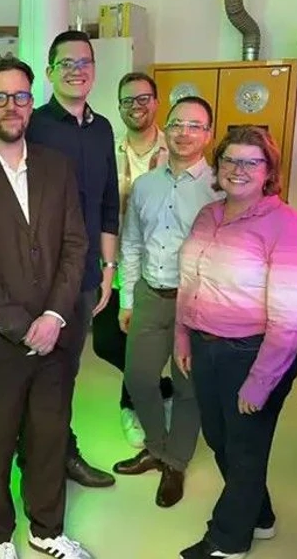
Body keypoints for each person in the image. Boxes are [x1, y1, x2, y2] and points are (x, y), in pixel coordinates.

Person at [0, 57, 92, 559]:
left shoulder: (57, 167)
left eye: (20, 96)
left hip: (56, 331)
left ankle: (47, 530)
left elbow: (75, 244)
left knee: (49, 435)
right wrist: (18, 324)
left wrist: (55, 315)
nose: (11, 106)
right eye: (0, 97)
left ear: (32, 103)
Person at [176, 126, 297, 559]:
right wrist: (183, 335)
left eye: (249, 162)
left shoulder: (290, 228)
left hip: (253, 355)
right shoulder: (209, 215)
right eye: (229, 161)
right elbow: (190, 281)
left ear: (268, 171)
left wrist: (260, 382)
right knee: (221, 440)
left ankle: (227, 540)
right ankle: (260, 516)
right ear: (217, 168)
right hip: (205, 348)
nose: (237, 170)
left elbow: (290, 319)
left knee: (243, 450)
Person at [114, 96, 223, 508]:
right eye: (176, 124)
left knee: (187, 387)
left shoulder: (218, 189)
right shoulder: (146, 184)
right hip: (148, 295)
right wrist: (127, 298)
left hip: (194, 305)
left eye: (194, 125)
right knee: (139, 378)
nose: (183, 132)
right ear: (166, 128)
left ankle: (175, 461)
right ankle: (156, 448)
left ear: (208, 134)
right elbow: (132, 241)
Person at [25, 30, 120, 489]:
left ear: (95, 72)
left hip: (84, 276)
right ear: (50, 72)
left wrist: (108, 269)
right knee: (37, 371)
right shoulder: (34, 126)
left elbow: (107, 204)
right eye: (66, 63)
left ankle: (59, 452)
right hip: (39, 275)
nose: (77, 70)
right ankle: (39, 456)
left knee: (67, 372)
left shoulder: (103, 129)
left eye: (85, 62)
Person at [91, 71, 170, 449]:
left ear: (156, 102)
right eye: (127, 100)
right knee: (107, 342)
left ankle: (131, 406)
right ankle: (156, 388)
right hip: (116, 263)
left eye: (143, 99)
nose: (136, 106)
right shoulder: (110, 151)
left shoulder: (176, 149)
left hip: (162, 267)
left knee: (142, 342)